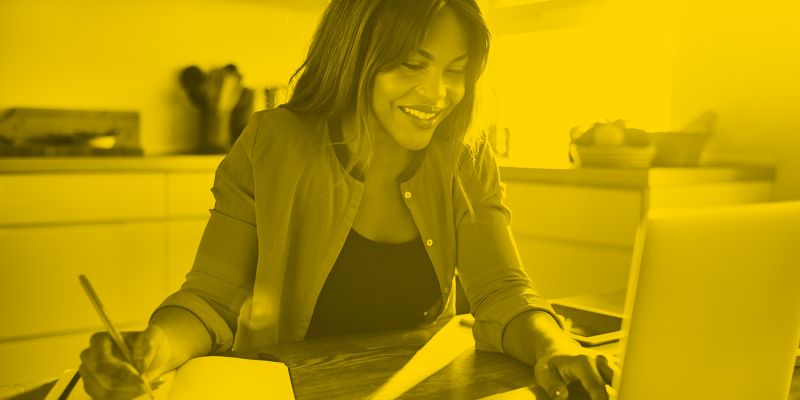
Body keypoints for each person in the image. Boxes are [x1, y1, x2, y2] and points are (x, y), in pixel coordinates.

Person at [79, 0, 616, 399]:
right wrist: (153, 350)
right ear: (355, 57)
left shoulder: (464, 154)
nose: (438, 95)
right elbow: (211, 301)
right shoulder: (271, 143)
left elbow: (501, 291)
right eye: (412, 65)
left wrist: (555, 346)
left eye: (455, 71)